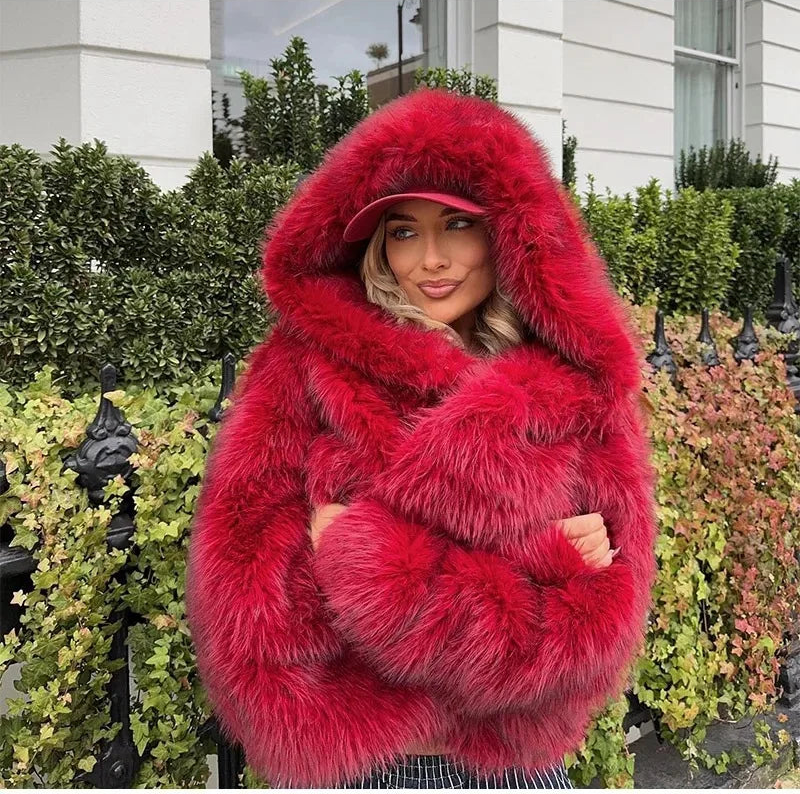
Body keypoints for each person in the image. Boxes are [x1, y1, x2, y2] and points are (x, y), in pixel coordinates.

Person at [185, 88, 658, 790]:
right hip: (362, 763)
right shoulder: (310, 361)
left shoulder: (576, 382)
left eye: (457, 225)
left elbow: (603, 621)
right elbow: (249, 602)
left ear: (508, 234)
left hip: (511, 765)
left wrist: (362, 557)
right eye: (403, 231)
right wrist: (537, 564)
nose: (430, 259)